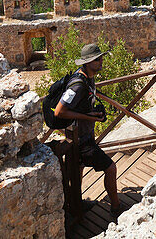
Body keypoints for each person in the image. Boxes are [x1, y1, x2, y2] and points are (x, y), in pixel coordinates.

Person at [53, 43, 120, 216]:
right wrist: (90, 117)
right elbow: (60, 111)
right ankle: (116, 207)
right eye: (97, 59)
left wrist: (93, 113)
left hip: (83, 136)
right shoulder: (78, 84)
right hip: (81, 140)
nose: (101, 61)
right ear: (88, 62)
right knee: (111, 168)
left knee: (79, 168)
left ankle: (77, 204)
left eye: (101, 57)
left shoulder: (88, 78)